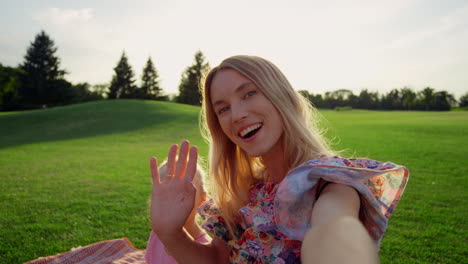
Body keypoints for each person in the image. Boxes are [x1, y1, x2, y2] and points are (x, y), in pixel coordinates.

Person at [149, 55, 409, 263]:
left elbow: (334, 227)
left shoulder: (329, 181)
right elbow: (217, 258)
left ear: (281, 95)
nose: (237, 114)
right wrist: (171, 233)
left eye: (249, 93)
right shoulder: (243, 192)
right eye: (223, 108)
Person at [145, 161, 211, 264]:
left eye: (183, 193)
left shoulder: (206, 251)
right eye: (164, 194)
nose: (172, 201)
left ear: (202, 201)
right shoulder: (158, 234)